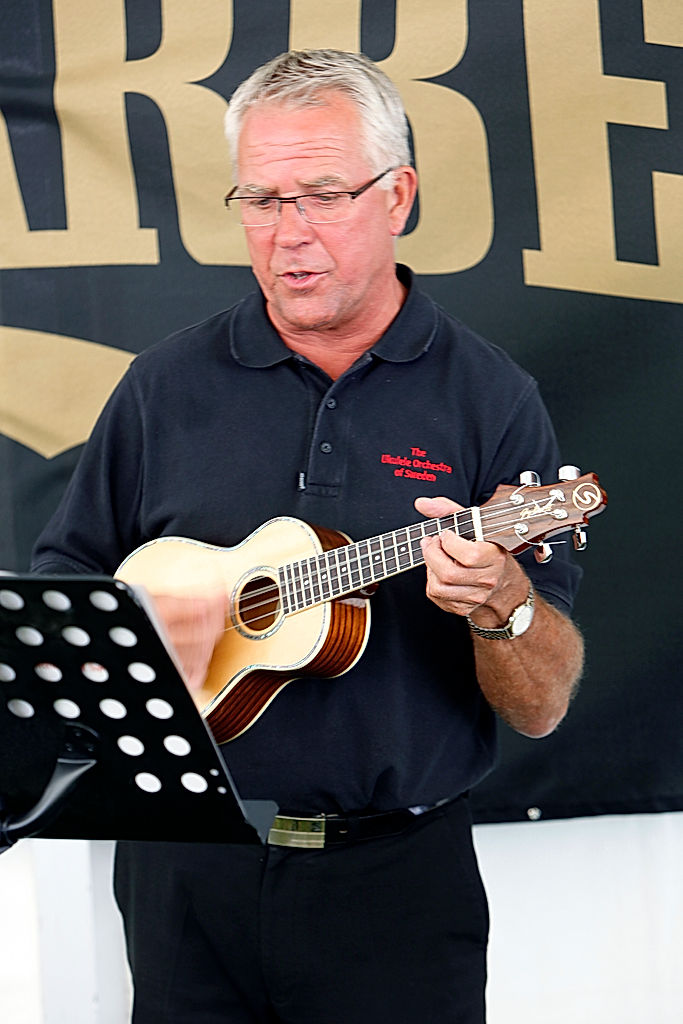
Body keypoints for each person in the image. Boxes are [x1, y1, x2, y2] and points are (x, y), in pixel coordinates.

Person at [32, 49, 584, 1024]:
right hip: (183, 880)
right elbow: (67, 587)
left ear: (397, 195)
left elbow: (538, 705)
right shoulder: (165, 386)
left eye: (323, 195)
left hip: (395, 892)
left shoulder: (490, 398)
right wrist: (160, 649)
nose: (289, 234)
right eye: (261, 198)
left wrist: (500, 605)